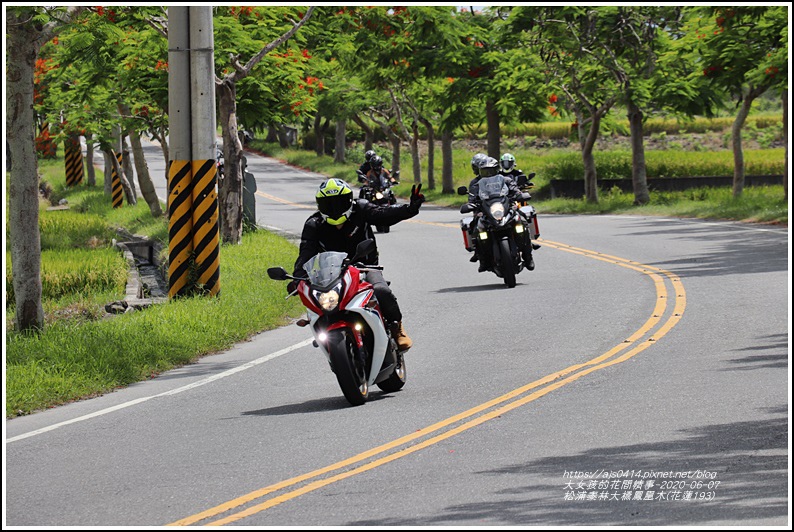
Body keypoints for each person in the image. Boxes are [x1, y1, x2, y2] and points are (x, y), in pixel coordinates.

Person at [290, 178, 425, 352]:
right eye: (328, 204)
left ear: (348, 200)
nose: (334, 208)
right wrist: (297, 278)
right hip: (331, 275)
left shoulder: (361, 208)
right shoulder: (314, 224)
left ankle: (396, 327)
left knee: (382, 291)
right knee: (320, 306)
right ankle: (326, 336)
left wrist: (411, 208)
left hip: (365, 268)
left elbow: (385, 214)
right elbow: (306, 254)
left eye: (338, 202)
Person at [466, 156, 526, 272]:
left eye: (491, 170)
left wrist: (518, 195)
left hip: (505, 208)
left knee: (521, 220)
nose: (488, 173)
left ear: (497, 169)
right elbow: (471, 199)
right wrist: (473, 207)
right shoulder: (475, 183)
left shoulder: (506, 179)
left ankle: (528, 255)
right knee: (477, 229)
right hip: (485, 211)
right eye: (485, 170)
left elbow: (515, 190)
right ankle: (482, 258)